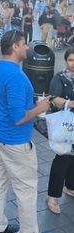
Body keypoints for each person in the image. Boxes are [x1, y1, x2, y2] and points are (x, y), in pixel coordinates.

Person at [0, 30, 50, 233]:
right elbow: (18, 117)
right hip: (15, 141)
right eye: (24, 44)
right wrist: (40, 107)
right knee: (26, 190)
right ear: (14, 46)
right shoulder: (15, 75)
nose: (27, 48)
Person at [46, 47, 74, 214]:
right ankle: (52, 196)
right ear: (65, 61)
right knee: (62, 158)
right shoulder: (59, 78)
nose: (73, 64)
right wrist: (70, 103)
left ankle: (70, 186)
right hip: (66, 125)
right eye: (71, 60)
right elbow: (53, 99)